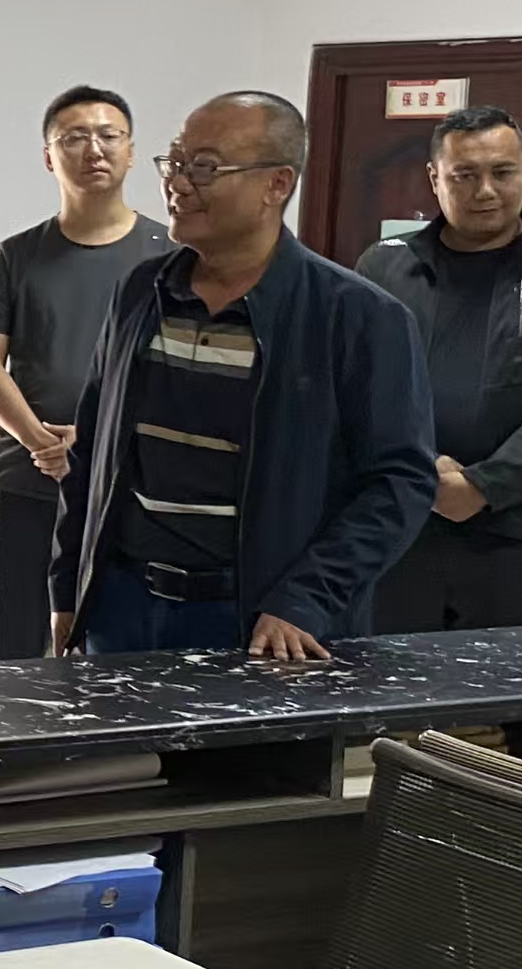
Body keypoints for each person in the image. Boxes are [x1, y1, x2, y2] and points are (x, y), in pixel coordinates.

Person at [50, 91, 437, 662]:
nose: (178, 184)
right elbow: (91, 452)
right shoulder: (140, 292)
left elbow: (399, 482)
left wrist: (306, 600)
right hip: (123, 608)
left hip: (262, 622)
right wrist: (69, 588)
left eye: (205, 168)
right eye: (176, 162)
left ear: (276, 185)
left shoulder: (357, 316)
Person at [358, 105, 522, 632]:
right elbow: (358, 384)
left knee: (503, 679)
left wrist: (482, 487)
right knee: (383, 677)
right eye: (464, 175)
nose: (486, 191)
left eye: (502, 172)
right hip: (396, 521)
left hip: (515, 533)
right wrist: (427, 473)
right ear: (434, 178)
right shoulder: (383, 266)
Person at [0, 86, 172, 661]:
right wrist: (41, 443)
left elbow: (173, 374)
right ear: (48, 156)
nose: (94, 149)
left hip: (129, 479)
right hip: (24, 475)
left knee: (118, 645)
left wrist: (92, 445)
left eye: (109, 135)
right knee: (15, 643)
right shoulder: (16, 255)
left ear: (132, 152)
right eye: (75, 137)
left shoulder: (169, 254)